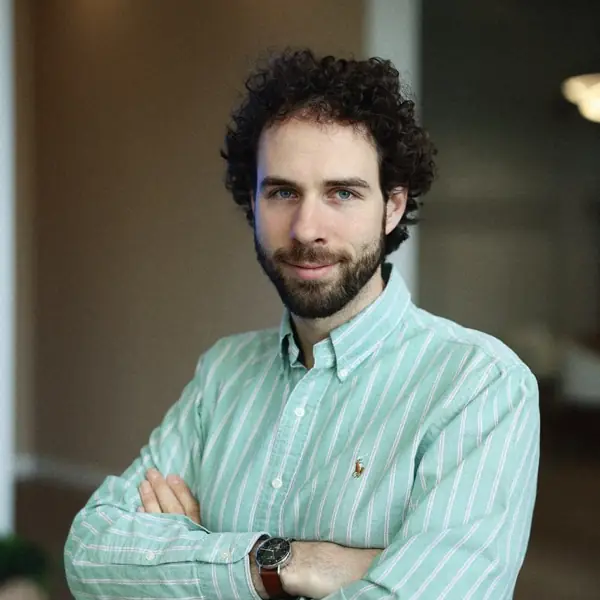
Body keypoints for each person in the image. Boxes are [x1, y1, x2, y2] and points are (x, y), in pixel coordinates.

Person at [64, 49, 540, 600]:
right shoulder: (223, 372)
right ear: (252, 201)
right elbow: (89, 555)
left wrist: (190, 561)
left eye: (343, 193)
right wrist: (283, 564)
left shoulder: (479, 386)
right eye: (283, 192)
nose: (306, 228)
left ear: (392, 206)